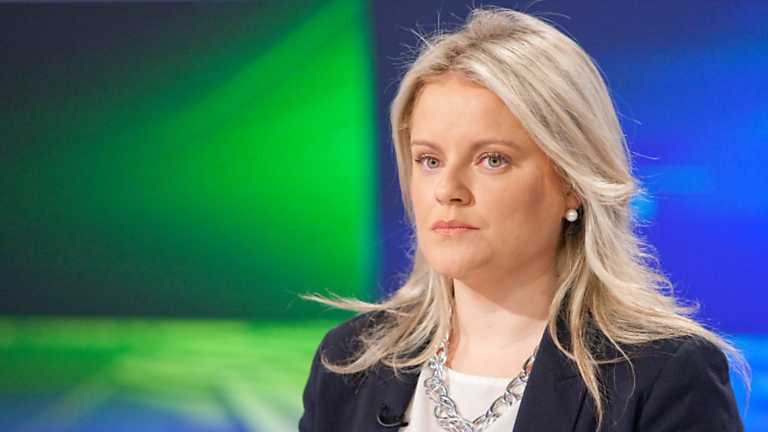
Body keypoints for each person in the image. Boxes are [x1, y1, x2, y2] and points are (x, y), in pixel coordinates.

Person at [298, 6, 750, 432]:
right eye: (429, 160)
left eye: (492, 159)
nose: (447, 189)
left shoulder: (663, 375)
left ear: (572, 181)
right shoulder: (350, 364)